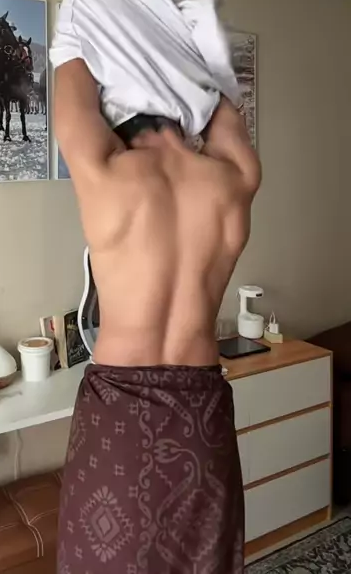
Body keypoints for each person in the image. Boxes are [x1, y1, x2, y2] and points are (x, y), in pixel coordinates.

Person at [54, 58, 261, 574]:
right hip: (201, 421)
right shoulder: (234, 178)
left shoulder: (107, 176)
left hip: (119, 419)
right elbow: (223, 94)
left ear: (115, 123)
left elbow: (69, 70)